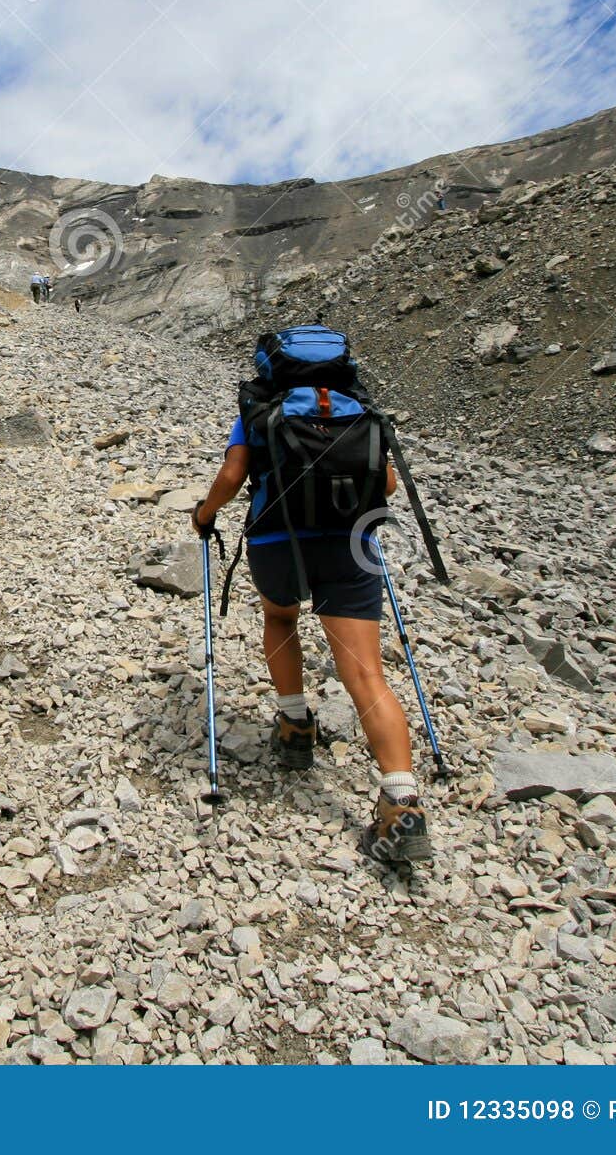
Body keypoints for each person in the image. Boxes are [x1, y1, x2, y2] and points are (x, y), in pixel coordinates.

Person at [188, 355, 431, 864]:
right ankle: (401, 801)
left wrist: (204, 515)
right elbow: (385, 485)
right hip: (349, 544)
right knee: (367, 674)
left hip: (278, 539)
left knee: (280, 618)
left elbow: (234, 472)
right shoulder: (356, 408)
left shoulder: (262, 406)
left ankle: (295, 725)